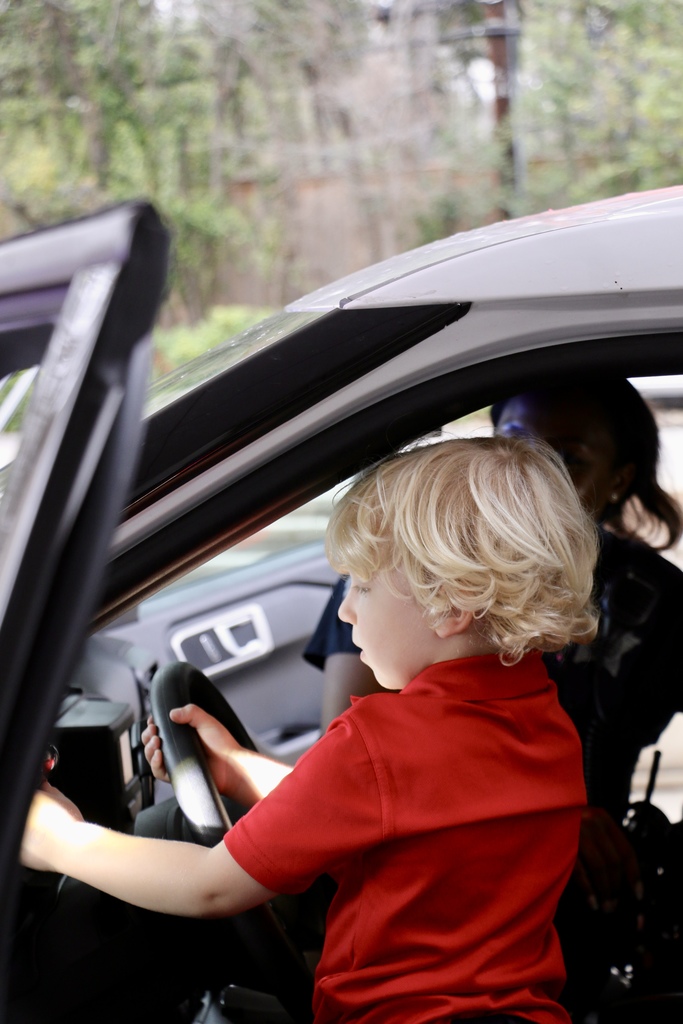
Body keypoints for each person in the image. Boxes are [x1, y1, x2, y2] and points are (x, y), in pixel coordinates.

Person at [22, 436, 599, 1024]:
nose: (345, 610)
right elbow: (401, 824)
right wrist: (240, 773)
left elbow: (211, 886)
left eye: (362, 586)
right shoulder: (545, 723)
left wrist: (58, 841)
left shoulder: (381, 739)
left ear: (452, 604)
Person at [305, 380, 683, 1013]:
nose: (535, 476)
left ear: (618, 479)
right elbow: (351, 756)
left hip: (578, 893)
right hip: (415, 870)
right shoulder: (397, 579)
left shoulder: (659, 601)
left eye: (567, 459)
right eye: (517, 446)